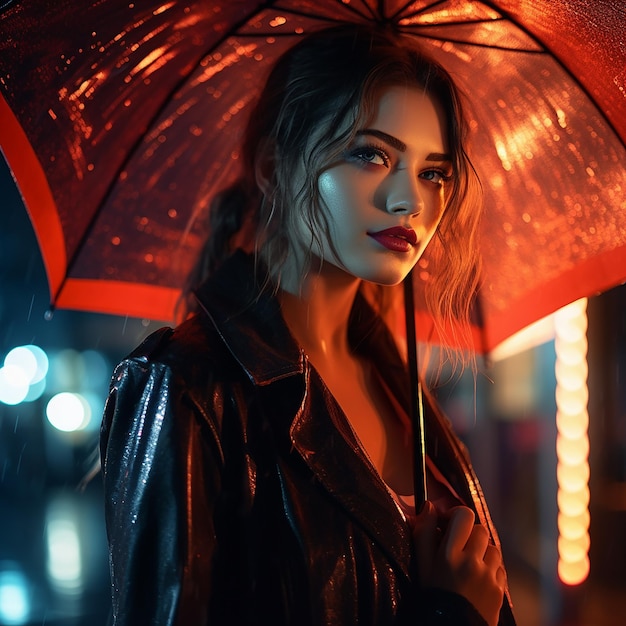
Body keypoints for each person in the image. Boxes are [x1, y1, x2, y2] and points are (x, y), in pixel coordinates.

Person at [100, 24, 516, 626]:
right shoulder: (184, 389)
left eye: (433, 172)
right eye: (371, 154)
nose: (410, 202)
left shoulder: (402, 393)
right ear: (273, 165)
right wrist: (450, 615)